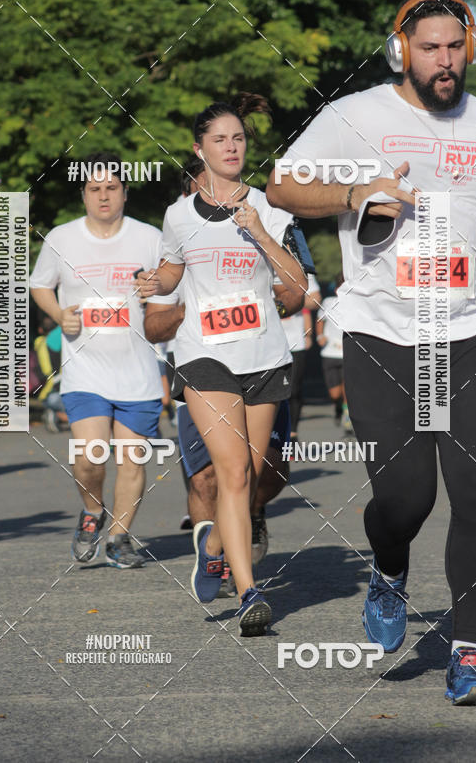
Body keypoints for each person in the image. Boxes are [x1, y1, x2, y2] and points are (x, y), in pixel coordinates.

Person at [267, 0, 476, 703]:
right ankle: (389, 568)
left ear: (471, 48)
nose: (444, 61)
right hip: (383, 333)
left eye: (454, 47)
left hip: (472, 331)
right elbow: (281, 186)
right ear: (400, 51)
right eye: (429, 48)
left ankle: (468, 655)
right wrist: (354, 197)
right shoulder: (353, 116)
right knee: (406, 498)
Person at [138, 94, 307, 636]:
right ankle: (250, 592)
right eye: (219, 140)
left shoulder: (271, 208)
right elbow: (171, 270)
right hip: (203, 354)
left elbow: (298, 288)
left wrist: (260, 232)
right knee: (231, 472)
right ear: (199, 150)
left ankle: (212, 544)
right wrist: (155, 283)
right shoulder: (177, 214)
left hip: (263, 354)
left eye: (237, 138)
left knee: (251, 475)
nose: (231, 147)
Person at [30, 151, 168, 569]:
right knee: (89, 457)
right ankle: (92, 511)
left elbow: (172, 291)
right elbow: (40, 285)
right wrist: (59, 315)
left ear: (125, 192)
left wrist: (155, 291)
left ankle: (119, 539)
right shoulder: (62, 238)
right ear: (83, 194)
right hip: (85, 370)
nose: (103, 196)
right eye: (94, 189)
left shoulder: (150, 238)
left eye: (111, 188)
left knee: (132, 460)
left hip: (138, 371)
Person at [281, 272, 321, 438]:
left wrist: (291, 300)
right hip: (269, 343)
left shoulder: (302, 271)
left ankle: (293, 432)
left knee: (294, 389)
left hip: (295, 342)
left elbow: (315, 300)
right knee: (272, 391)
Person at [316, 276, 350, 431]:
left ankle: (347, 416)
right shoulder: (328, 302)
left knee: (347, 388)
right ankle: (338, 407)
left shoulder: (355, 303)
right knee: (334, 394)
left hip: (348, 353)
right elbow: (319, 320)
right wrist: (320, 336)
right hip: (329, 353)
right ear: (336, 289)